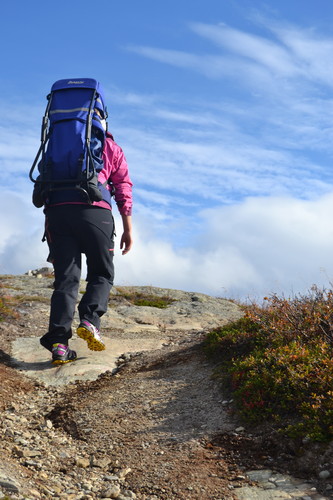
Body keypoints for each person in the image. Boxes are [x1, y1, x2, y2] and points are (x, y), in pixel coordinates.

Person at [39, 128, 133, 364]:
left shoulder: (57, 141)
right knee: (101, 273)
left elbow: (44, 173)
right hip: (95, 212)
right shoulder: (111, 147)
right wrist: (128, 228)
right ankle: (90, 321)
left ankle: (59, 344)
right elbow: (123, 188)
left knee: (66, 280)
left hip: (58, 212)